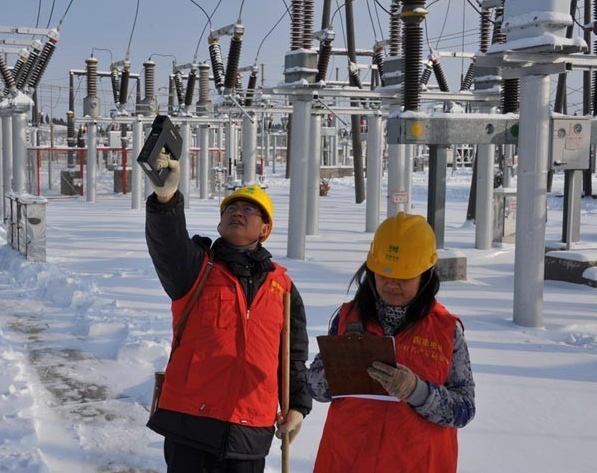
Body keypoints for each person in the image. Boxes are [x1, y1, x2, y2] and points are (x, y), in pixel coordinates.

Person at [145, 150, 312, 473]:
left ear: (265, 229)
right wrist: (166, 200)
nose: (238, 212)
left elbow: (292, 356)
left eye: (249, 209)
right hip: (190, 421)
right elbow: (167, 243)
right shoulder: (195, 269)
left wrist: (298, 407)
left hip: (251, 430)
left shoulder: (283, 288)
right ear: (220, 224)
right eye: (231, 209)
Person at [307, 212, 476, 472]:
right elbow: (314, 387)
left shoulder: (447, 331)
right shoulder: (346, 318)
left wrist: (418, 392)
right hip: (347, 461)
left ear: (425, 275)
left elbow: (464, 408)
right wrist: (339, 374)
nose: (392, 285)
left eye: (404, 277)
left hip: (417, 464)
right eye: (384, 275)